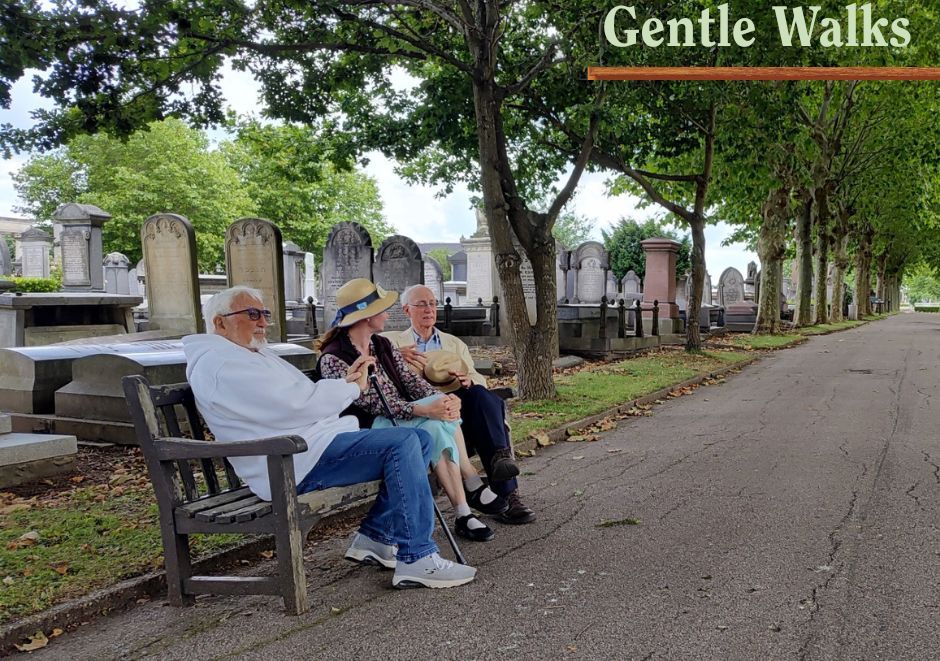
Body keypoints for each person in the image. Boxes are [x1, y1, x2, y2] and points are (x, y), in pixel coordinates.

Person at [182, 285, 476, 589]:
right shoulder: (221, 364)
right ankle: (417, 558)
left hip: (310, 446)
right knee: (403, 443)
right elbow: (294, 406)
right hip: (289, 461)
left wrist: (350, 383)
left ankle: (375, 537)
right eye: (253, 314)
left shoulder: (245, 355)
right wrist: (352, 388)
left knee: (420, 440)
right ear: (220, 322)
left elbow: (299, 399)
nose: (263, 322)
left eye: (265, 314)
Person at [317, 278, 505, 543]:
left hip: (397, 417)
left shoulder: (381, 345)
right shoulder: (334, 357)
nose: (386, 313)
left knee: (443, 416)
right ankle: (468, 494)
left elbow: (411, 381)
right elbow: (373, 404)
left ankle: (464, 510)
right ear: (366, 316)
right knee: (432, 423)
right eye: (381, 309)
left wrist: (441, 399)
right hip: (366, 428)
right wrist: (423, 410)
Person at [383, 284, 536, 524]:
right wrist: (393, 357)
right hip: (423, 408)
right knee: (487, 409)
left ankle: (505, 479)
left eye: (432, 304)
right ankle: (493, 489)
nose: (428, 309)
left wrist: (468, 380)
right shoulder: (390, 343)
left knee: (484, 396)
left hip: (457, 400)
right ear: (406, 310)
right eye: (421, 304)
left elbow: (478, 377)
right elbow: (373, 370)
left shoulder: (453, 343)